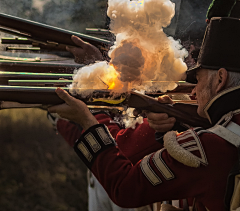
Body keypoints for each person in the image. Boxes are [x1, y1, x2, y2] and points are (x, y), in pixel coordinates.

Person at [48, 16, 240, 211]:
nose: (193, 91)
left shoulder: (209, 146)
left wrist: (88, 121)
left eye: (198, 79)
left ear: (220, 79)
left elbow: (125, 188)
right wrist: (169, 129)